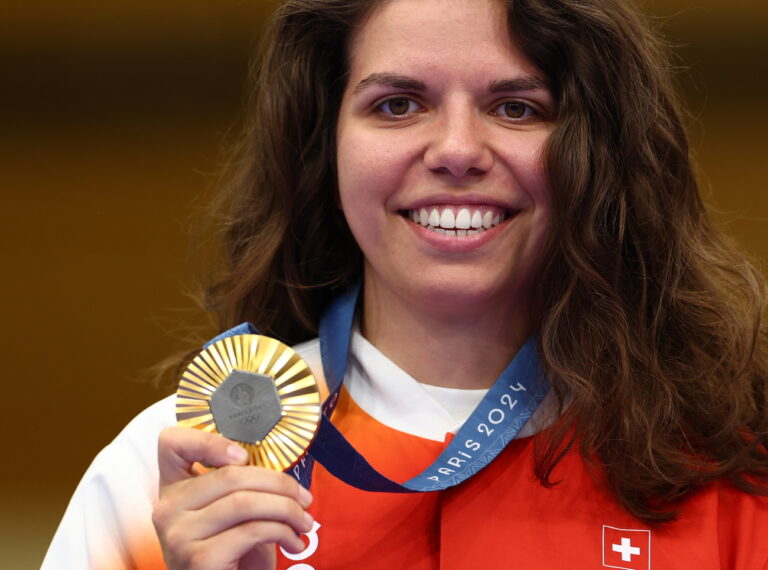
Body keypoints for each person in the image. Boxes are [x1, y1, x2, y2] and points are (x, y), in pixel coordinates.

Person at [43, 0, 768, 568]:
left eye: (516, 106)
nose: (456, 150)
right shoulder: (177, 473)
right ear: (324, 145)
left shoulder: (732, 473)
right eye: (398, 104)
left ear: (597, 153)